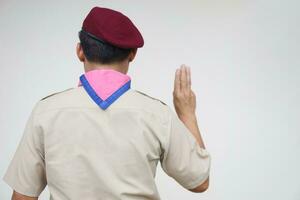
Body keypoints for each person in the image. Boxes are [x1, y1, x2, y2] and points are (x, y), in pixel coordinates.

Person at [3, 6, 211, 200]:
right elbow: (199, 181)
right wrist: (187, 113)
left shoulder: (46, 112)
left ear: (80, 51)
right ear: (132, 54)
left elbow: (22, 196)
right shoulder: (157, 115)